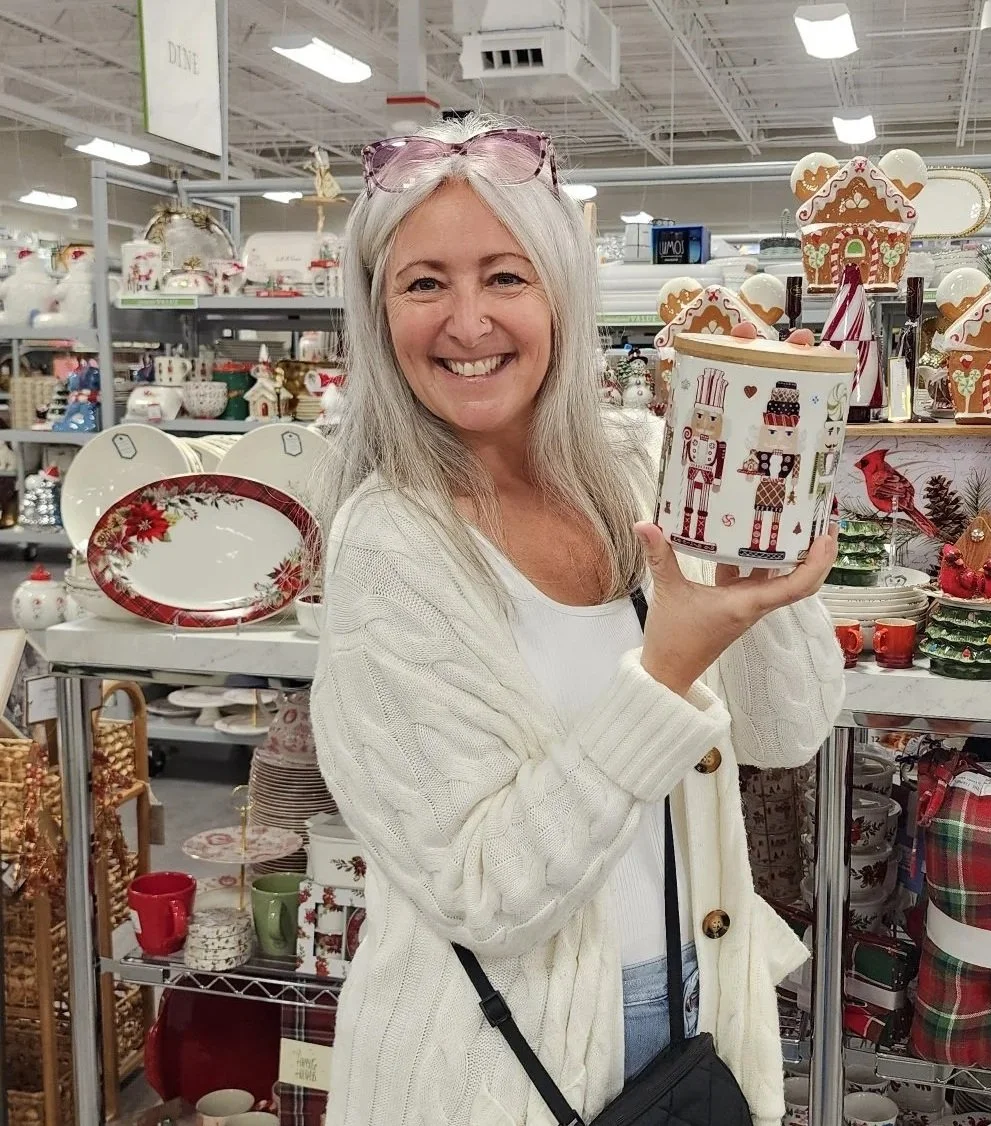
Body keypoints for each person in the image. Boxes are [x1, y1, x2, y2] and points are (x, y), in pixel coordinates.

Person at [310, 114, 845, 1126]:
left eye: (505, 276)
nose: (468, 321)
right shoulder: (390, 543)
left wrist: (763, 542)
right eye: (424, 283)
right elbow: (482, 893)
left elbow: (787, 731)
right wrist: (666, 669)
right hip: (496, 1062)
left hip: (700, 1004)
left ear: (560, 292)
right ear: (378, 311)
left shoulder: (638, 462)